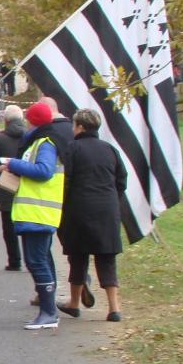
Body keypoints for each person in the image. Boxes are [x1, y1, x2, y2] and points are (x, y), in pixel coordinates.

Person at [55, 108, 128, 322]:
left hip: (79, 208)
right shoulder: (110, 149)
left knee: (78, 256)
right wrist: (114, 201)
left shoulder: (73, 149)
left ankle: (74, 303)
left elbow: (65, 180)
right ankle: (114, 308)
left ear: (79, 126)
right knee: (106, 257)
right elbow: (121, 180)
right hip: (107, 208)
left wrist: (62, 206)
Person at [0, 102, 65, 330]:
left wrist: (14, 163)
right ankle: (47, 311)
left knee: (37, 261)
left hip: (39, 210)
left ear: (32, 120)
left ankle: (49, 312)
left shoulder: (45, 143)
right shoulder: (38, 141)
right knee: (36, 260)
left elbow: (44, 171)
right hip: (34, 211)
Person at [0, 104, 26, 271]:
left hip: (6, 185)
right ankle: (31, 259)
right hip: (28, 184)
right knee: (28, 223)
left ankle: (14, 260)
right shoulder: (30, 137)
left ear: (5, 120)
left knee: (8, 225)